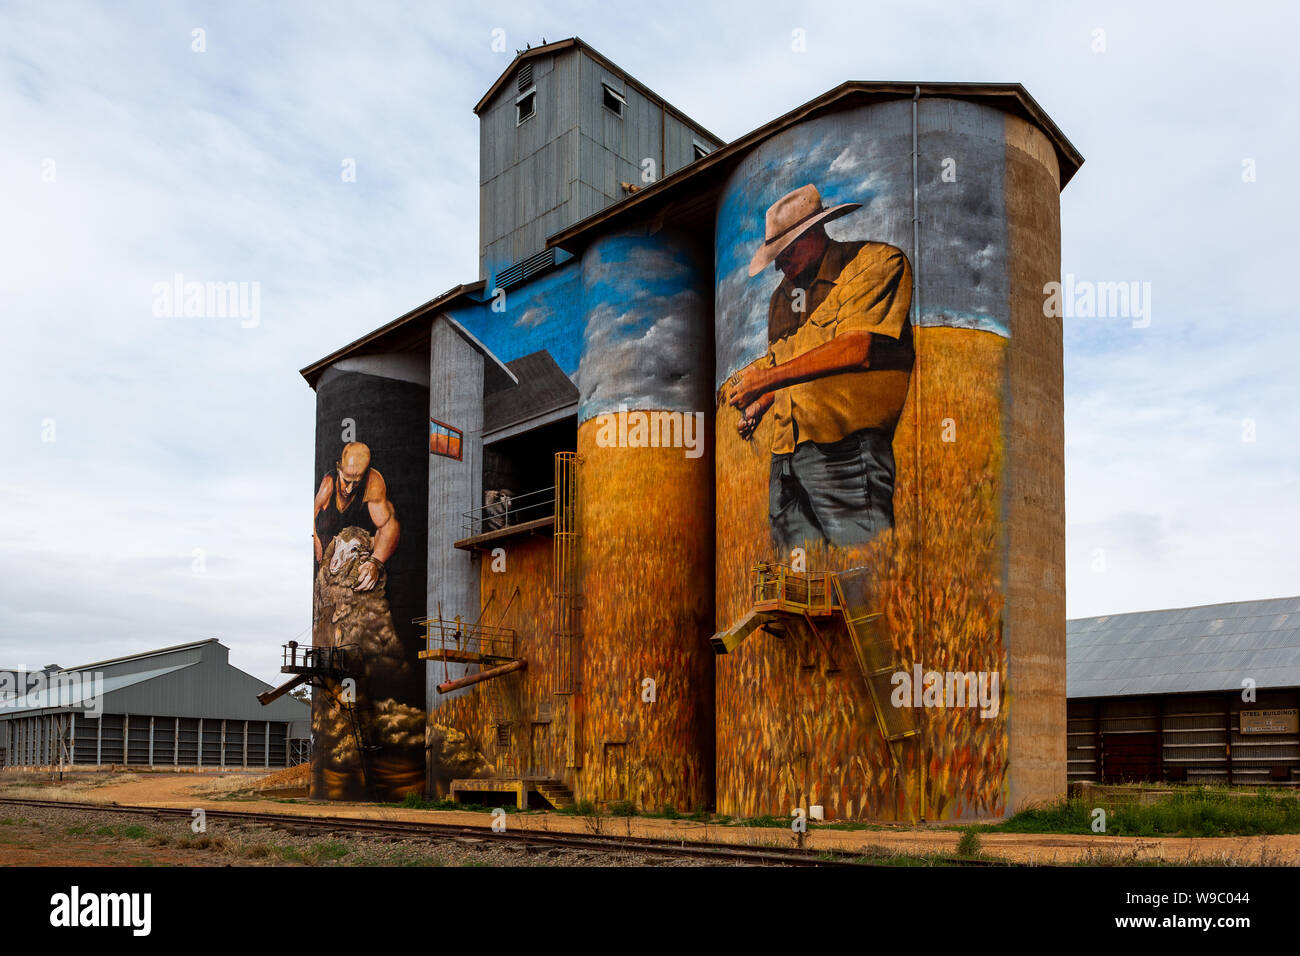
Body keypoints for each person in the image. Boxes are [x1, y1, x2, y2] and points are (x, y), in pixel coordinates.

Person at [728, 183, 914, 551]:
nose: (780, 263)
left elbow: (855, 349)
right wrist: (761, 404)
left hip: (848, 453)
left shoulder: (875, 265)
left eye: (787, 250)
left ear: (815, 231)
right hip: (785, 461)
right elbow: (790, 368)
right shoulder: (781, 300)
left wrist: (764, 379)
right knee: (795, 588)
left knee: (862, 576)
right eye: (775, 254)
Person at [312, 441, 398, 591]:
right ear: (339, 468)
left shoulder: (373, 482)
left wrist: (375, 561)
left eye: (356, 482)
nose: (350, 489)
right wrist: (316, 539)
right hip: (329, 571)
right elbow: (313, 513)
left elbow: (388, 526)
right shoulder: (328, 484)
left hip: (355, 571)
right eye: (346, 481)